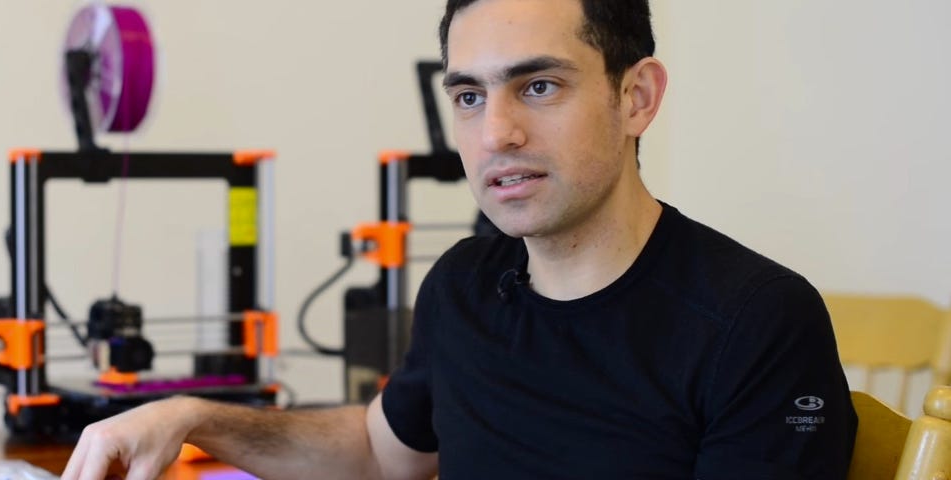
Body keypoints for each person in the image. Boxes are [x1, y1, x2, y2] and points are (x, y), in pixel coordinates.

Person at [61, 0, 857, 478]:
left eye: (538, 86)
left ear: (636, 96)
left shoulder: (755, 322)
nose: (496, 133)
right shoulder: (468, 285)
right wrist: (194, 418)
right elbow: (381, 455)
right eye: (469, 96)